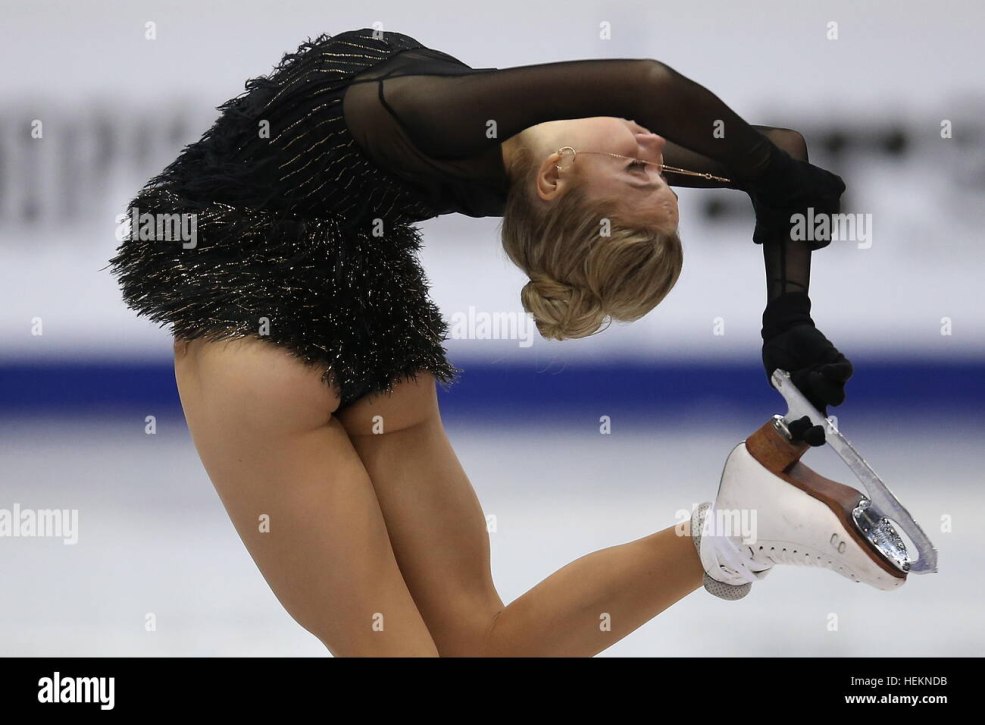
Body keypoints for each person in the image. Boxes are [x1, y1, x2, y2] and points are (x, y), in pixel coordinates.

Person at [109, 27, 860, 657]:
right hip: (369, 323)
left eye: (639, 168)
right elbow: (770, 151)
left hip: (259, 340)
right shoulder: (523, 155)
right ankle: (728, 535)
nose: (652, 147)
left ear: (555, 179)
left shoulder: (446, 119)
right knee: (480, 645)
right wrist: (785, 303)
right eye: (650, 169)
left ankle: (736, 531)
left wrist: (784, 270)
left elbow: (657, 90)